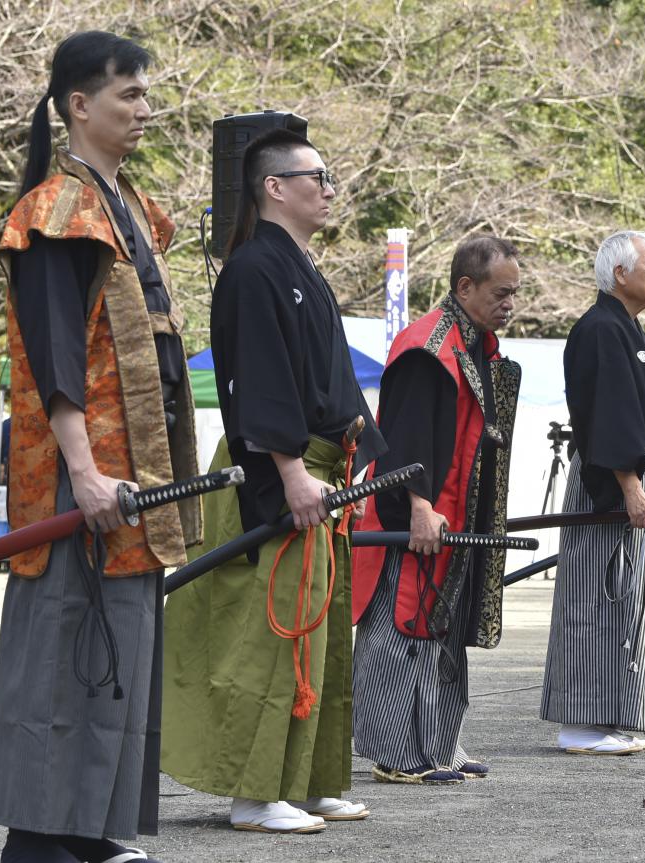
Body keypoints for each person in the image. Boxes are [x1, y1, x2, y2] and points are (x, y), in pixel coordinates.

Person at [0, 31, 202, 863]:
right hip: (82, 481)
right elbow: (56, 357)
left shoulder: (132, 208)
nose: (145, 109)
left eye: (146, 94)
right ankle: (38, 838)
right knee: (62, 647)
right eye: (129, 95)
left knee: (123, 647)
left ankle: (90, 828)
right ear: (80, 105)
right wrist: (83, 469)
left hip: (139, 479)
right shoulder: (53, 209)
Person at [163, 129, 384, 833]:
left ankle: (309, 779)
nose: (327, 188)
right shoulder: (254, 268)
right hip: (281, 471)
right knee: (273, 633)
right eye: (316, 176)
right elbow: (260, 379)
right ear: (274, 187)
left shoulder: (300, 266)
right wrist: (289, 469)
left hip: (323, 468)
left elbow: (336, 380)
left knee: (320, 634)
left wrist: (365, 445)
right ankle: (255, 791)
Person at [350, 236, 521, 785]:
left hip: (458, 515)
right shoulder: (427, 346)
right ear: (464, 286)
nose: (510, 304)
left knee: (442, 629)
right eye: (501, 293)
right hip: (414, 515)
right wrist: (419, 506)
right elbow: (405, 438)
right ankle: (396, 752)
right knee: (401, 627)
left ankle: (440, 742)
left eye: (515, 294)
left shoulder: (478, 345)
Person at [541, 230, 645, 754]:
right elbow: (610, 413)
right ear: (620, 273)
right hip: (609, 479)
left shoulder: (624, 327)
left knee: (628, 602)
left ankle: (610, 715)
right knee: (595, 596)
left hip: (637, 475)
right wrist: (629, 486)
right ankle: (579, 722)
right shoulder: (601, 328)